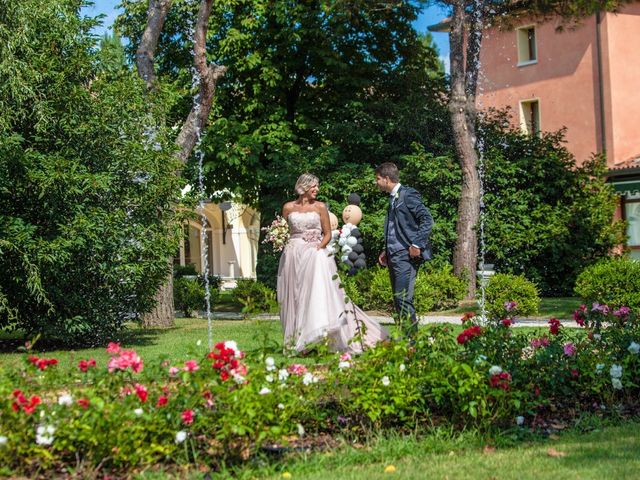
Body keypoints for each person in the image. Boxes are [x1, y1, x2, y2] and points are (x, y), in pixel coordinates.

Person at [277, 173, 388, 353]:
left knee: (313, 294)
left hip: (315, 255)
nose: (317, 190)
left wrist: (316, 249)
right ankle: (294, 340)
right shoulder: (288, 207)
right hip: (292, 255)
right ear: (304, 187)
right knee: (293, 295)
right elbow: (285, 230)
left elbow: (327, 234)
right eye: (314, 186)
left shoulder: (320, 207)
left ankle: (316, 335)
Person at [375, 162, 433, 338]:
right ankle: (409, 338)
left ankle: (410, 340)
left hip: (405, 255)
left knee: (402, 297)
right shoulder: (393, 198)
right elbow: (396, 227)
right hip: (394, 254)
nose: (376, 182)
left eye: (377, 179)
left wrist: (417, 245)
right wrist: (387, 249)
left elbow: (427, 219)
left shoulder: (407, 195)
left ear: (386, 179)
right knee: (399, 298)